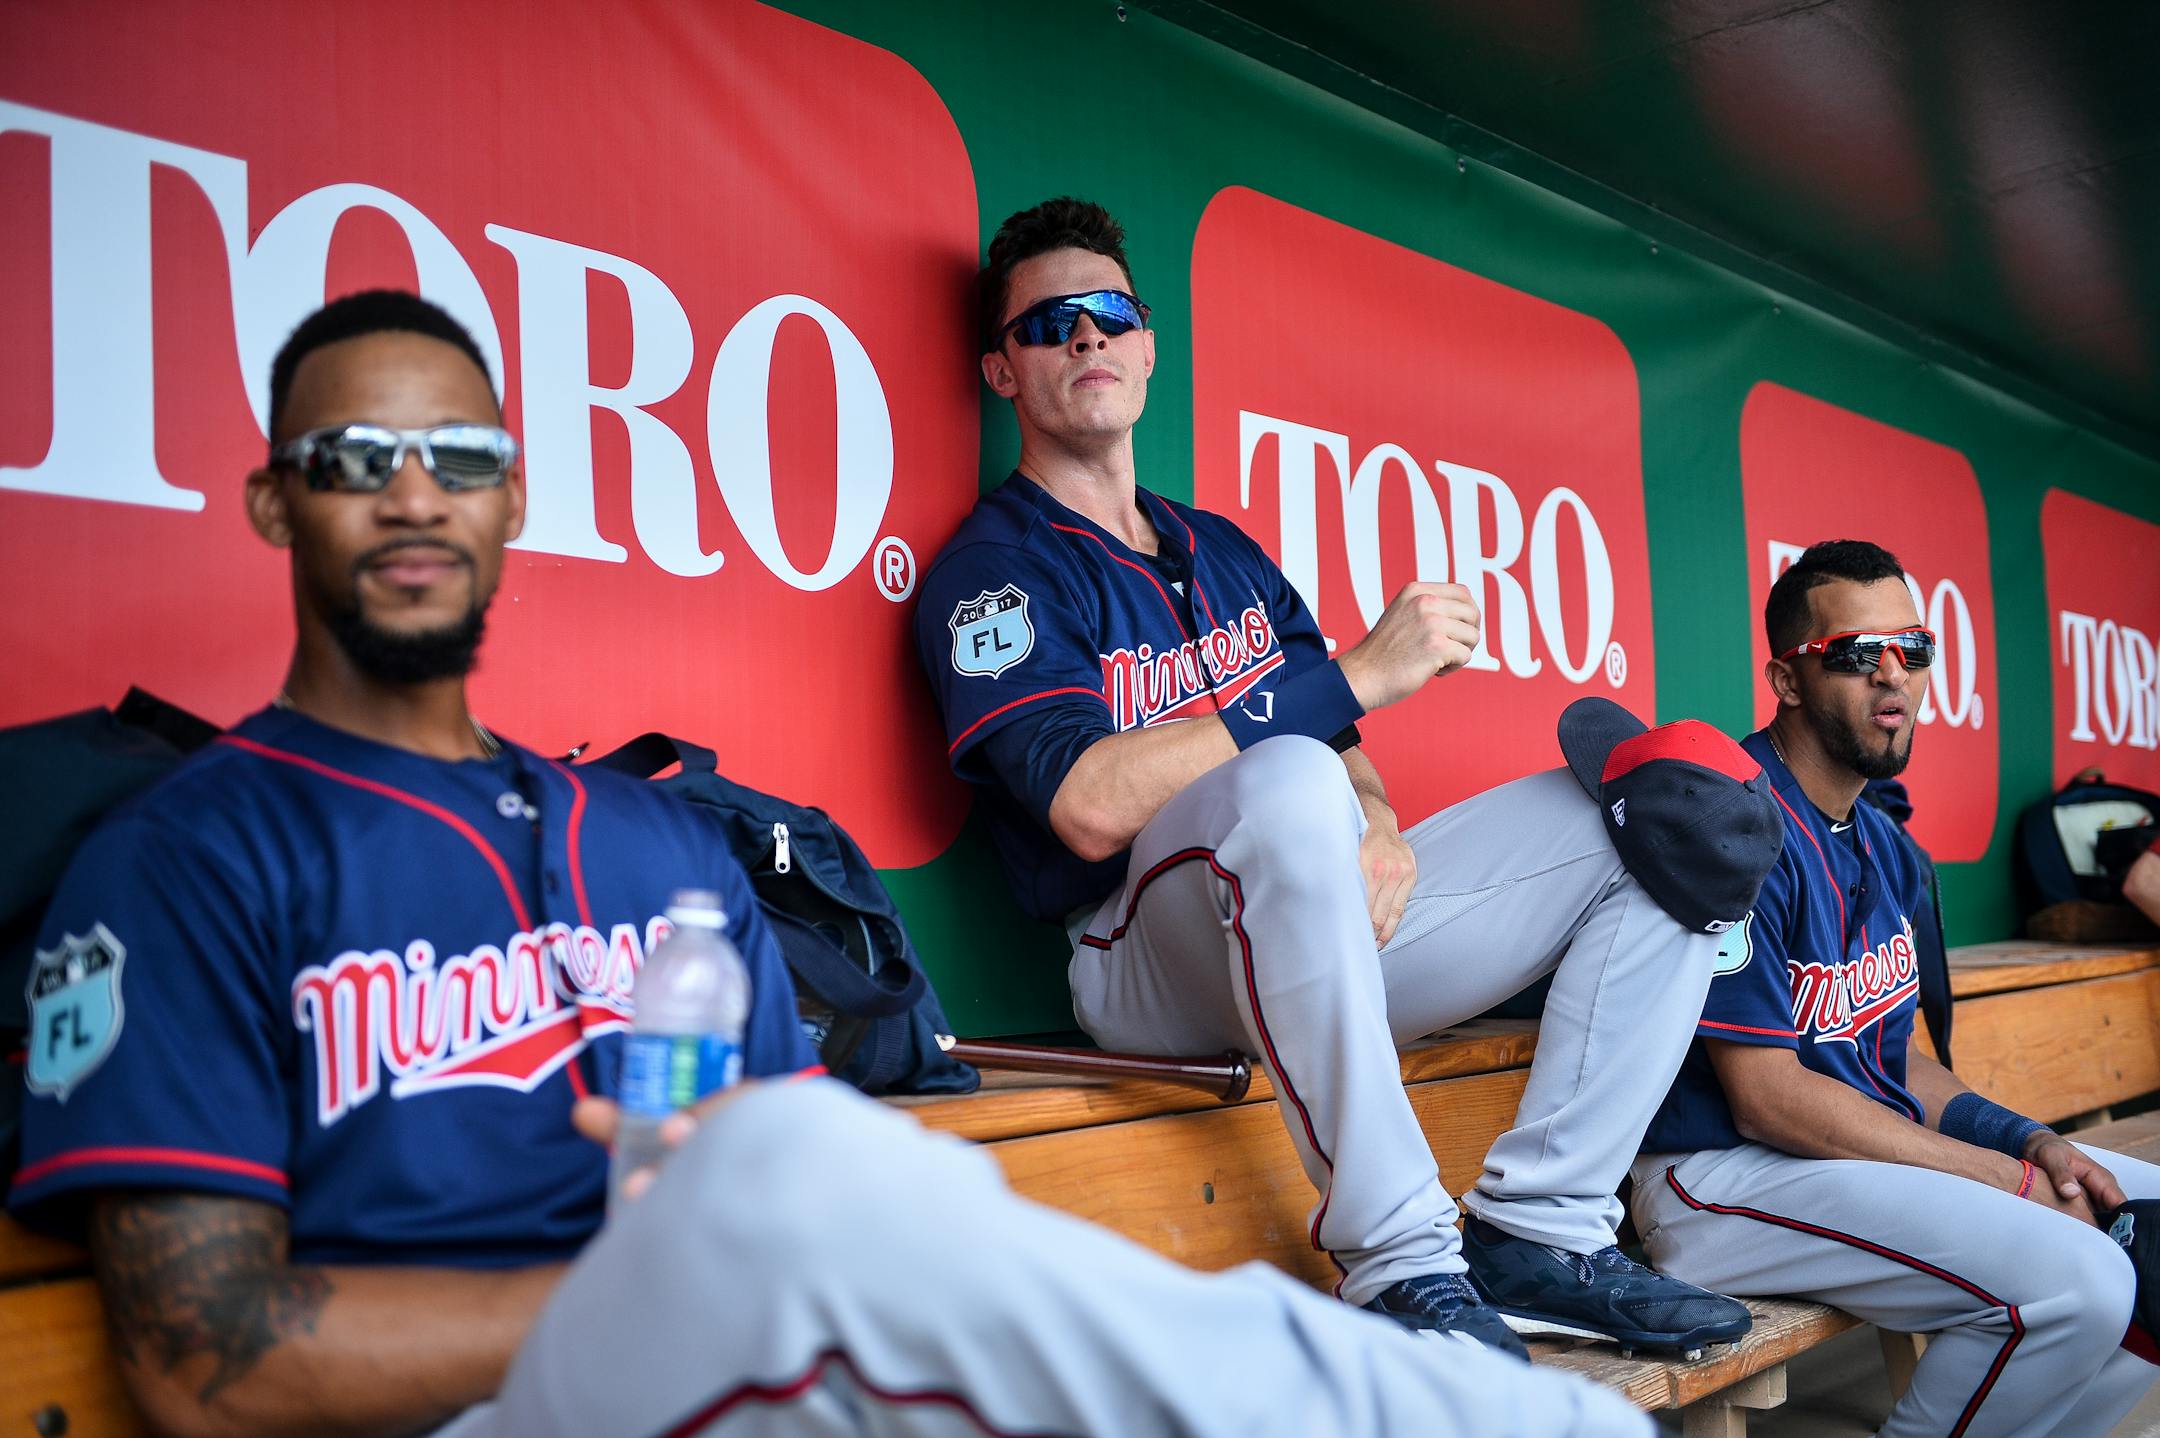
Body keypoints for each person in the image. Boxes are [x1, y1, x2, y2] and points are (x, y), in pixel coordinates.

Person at [10, 290, 1651, 1438]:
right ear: (268, 501)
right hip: (482, 1401)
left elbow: (800, 1192)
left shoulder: (652, 840)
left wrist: (710, 1253)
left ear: (515, 500)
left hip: (737, 1368)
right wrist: (655, 1283)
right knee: (794, 1195)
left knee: (834, 1180)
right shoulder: (184, 860)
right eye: (356, 459)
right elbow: (204, 1356)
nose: (416, 494)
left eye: (459, 457)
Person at [914, 197, 1761, 1360]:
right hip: (1140, 961)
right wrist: (1358, 677)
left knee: (1662, 809)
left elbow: (1345, 758)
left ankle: (1544, 1228)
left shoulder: (1227, 551)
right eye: (1048, 324)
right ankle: (1403, 1259)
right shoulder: (993, 572)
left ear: (1150, 344)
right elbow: (1089, 804)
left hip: (1310, 918)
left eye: (1109, 313)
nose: (1085, 340)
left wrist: (1382, 827)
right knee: (1284, 780)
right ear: (1002, 371)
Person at [1630, 539, 2160, 1438]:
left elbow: (1900, 1065)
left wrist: (2031, 1143)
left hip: (1832, 1160)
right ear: (1787, 679)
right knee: (2083, 1276)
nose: (1894, 677)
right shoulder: (1737, 822)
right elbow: (1765, 1098)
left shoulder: (1881, 844)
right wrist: (2002, 1177)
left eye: (1912, 650)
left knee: (2142, 1230)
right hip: (1716, 1176)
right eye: (1853, 654)